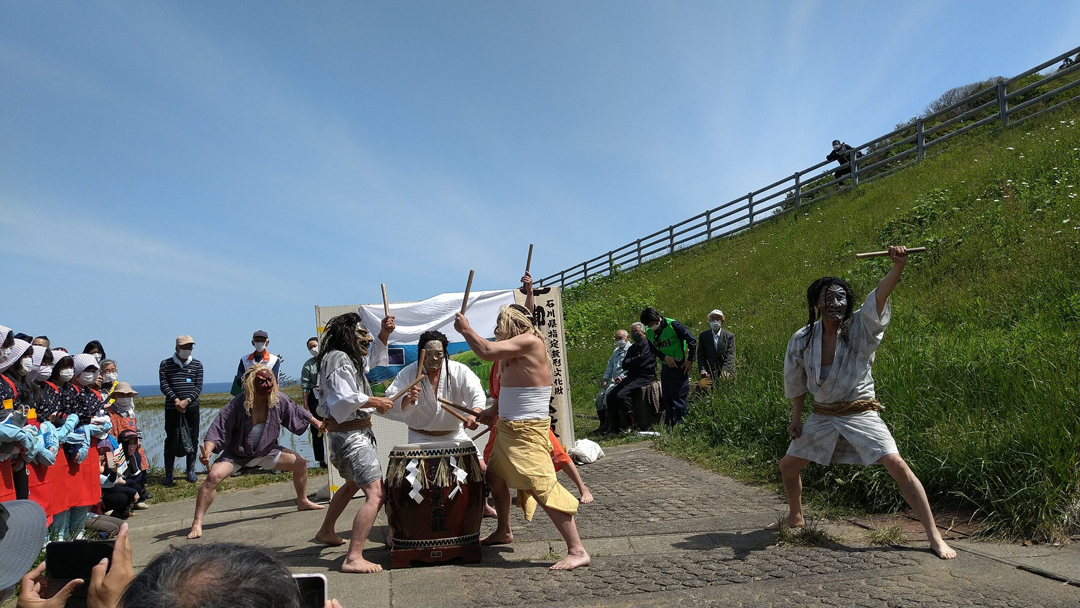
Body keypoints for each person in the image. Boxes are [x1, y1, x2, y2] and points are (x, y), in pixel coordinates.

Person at [773, 246, 956, 560]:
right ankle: (796, 516)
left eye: (841, 297)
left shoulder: (860, 326)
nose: (835, 303)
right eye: (828, 298)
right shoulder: (803, 338)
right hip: (823, 413)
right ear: (817, 302)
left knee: (896, 464)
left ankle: (934, 535)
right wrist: (796, 418)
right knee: (788, 466)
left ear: (849, 302)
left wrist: (897, 267)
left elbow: (879, 297)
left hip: (860, 410)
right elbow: (797, 381)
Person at [456, 304, 590, 571]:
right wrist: (492, 412)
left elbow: (484, 351)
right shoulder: (514, 351)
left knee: (542, 487)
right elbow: (513, 391)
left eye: (500, 325)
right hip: (509, 427)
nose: (497, 331)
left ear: (515, 324)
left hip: (526, 431)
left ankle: (577, 550)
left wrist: (466, 329)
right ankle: (503, 530)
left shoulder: (529, 341)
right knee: (495, 477)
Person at [188, 365, 324, 539]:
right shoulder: (238, 403)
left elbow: (297, 411)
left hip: (266, 450)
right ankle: (197, 522)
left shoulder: (277, 399)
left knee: (301, 464)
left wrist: (317, 423)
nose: (268, 385)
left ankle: (303, 501)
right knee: (213, 477)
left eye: (270, 380)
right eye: (262, 381)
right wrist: (207, 452)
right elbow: (218, 429)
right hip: (237, 454)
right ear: (252, 384)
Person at [313, 311, 395, 574]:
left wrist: (384, 334)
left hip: (347, 435)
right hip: (350, 436)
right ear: (348, 335)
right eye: (363, 335)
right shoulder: (337, 357)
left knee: (350, 484)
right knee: (376, 493)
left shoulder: (346, 357)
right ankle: (354, 557)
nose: (368, 340)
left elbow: (370, 362)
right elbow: (345, 395)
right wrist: (376, 401)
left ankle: (326, 530)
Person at [488, 358, 594, 504]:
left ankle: (583, 488)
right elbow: (497, 396)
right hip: (503, 422)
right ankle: (485, 504)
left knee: (557, 453)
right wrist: (490, 415)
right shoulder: (498, 362)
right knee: (489, 463)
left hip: (528, 422)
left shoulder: (522, 358)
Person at [387, 330, 486, 445]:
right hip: (420, 436)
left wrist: (473, 415)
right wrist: (407, 399)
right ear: (421, 353)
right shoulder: (408, 372)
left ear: (444, 353)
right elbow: (392, 400)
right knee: (418, 463)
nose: (433, 358)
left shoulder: (459, 370)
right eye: (429, 354)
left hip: (454, 435)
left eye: (438, 354)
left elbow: (476, 394)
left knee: (477, 463)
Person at [640, 308, 697, 428]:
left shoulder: (673, 325)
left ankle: (681, 425)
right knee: (667, 396)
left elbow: (692, 340)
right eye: (648, 325)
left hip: (680, 365)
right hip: (666, 366)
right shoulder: (650, 332)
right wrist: (665, 357)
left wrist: (690, 360)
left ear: (657, 318)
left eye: (651, 324)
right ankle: (669, 425)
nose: (650, 326)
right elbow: (653, 349)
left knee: (679, 396)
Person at [158, 335, 203, 485]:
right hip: (172, 408)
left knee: (193, 438)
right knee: (171, 438)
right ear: (177, 348)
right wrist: (176, 401)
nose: (187, 350)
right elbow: (164, 384)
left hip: (192, 407)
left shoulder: (197, 365)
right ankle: (169, 473)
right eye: (184, 347)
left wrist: (187, 401)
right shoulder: (165, 364)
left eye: (189, 347)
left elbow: (198, 386)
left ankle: (190, 470)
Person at [604, 323, 656, 432]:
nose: (634, 334)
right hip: (631, 376)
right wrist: (634, 360)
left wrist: (632, 361)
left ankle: (631, 425)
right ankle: (614, 426)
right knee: (611, 395)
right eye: (632, 332)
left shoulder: (648, 345)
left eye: (636, 331)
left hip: (644, 377)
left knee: (622, 395)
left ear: (643, 332)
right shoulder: (633, 347)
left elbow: (642, 362)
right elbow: (625, 364)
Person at [107, 383, 151, 500]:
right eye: (121, 394)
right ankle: (128, 496)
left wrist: (138, 440)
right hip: (117, 447)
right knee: (121, 473)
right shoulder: (109, 412)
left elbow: (137, 428)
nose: (125, 397)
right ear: (115, 395)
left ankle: (140, 493)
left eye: (128, 394)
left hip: (134, 445)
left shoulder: (130, 411)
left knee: (141, 472)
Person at [299, 336, 326, 468]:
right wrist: (305, 405)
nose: (313, 349)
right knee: (317, 430)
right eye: (310, 348)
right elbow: (304, 386)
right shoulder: (308, 365)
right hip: (314, 399)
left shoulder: (329, 359)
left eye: (314, 346)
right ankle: (321, 460)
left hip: (330, 397)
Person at [595, 329, 629, 433]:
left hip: (623, 380)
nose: (618, 341)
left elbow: (631, 368)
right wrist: (605, 378)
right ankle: (603, 423)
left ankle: (610, 424)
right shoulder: (616, 351)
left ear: (627, 338)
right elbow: (610, 366)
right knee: (599, 398)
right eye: (616, 339)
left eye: (621, 338)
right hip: (613, 380)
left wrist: (622, 377)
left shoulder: (631, 349)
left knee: (608, 396)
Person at [231, 330, 281, 396]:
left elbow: (272, 380)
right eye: (257, 340)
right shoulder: (244, 359)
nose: (259, 342)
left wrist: (251, 375)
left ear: (267, 343)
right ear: (252, 342)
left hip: (268, 396)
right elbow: (239, 380)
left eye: (262, 340)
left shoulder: (274, 360)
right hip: (249, 396)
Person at [697, 309, 735, 386]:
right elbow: (701, 355)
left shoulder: (729, 336)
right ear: (709, 321)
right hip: (709, 373)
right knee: (702, 386)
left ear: (722, 321)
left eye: (718, 318)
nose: (715, 320)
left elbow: (730, 356)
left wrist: (725, 371)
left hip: (725, 372)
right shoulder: (703, 336)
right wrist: (703, 370)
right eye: (712, 318)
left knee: (724, 385)